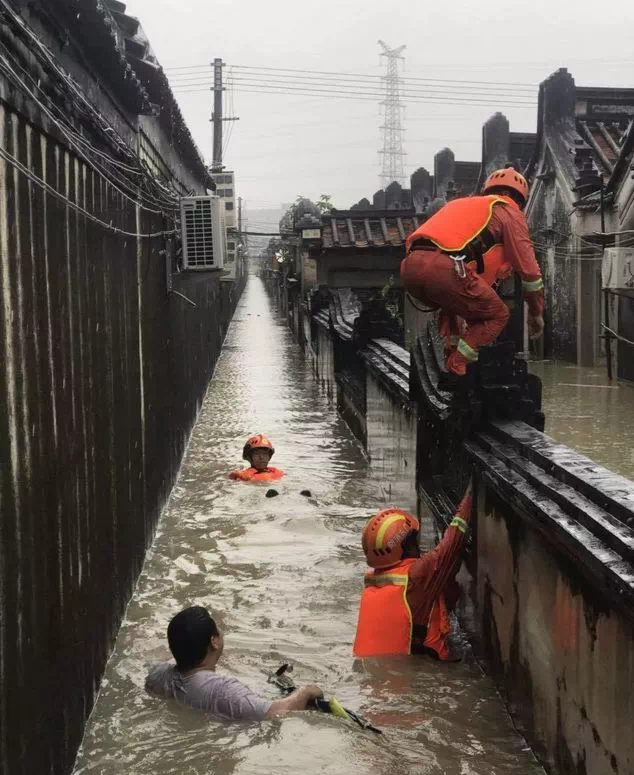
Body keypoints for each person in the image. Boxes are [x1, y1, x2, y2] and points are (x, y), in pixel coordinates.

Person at [401, 167, 544, 389]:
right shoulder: (508, 211)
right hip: (445, 269)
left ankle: (450, 360)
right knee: (498, 314)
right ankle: (457, 368)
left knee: (456, 307)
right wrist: (536, 313)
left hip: (410, 266)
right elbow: (530, 272)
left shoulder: (463, 205)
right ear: (520, 200)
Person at [353, 489, 472, 659]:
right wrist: (470, 494)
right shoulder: (416, 576)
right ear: (406, 546)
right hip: (424, 671)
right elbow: (453, 541)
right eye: (415, 540)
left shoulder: (374, 581)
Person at [145, 606, 323, 720]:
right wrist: (305, 692)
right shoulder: (224, 690)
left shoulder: (156, 674)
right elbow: (274, 713)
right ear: (214, 641)